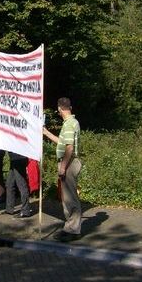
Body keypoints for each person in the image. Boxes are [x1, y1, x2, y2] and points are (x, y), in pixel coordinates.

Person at [42, 97, 82, 242]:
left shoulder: (70, 124)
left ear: (59, 109)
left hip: (69, 163)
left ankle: (73, 230)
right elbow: (63, 142)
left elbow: (69, 148)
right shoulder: (70, 123)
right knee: (67, 198)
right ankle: (70, 227)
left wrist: (63, 167)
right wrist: (47, 133)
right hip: (68, 162)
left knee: (70, 198)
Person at [4, 151, 33, 218]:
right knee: (9, 184)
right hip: (14, 158)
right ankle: (9, 209)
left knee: (22, 185)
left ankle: (25, 211)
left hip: (19, 158)